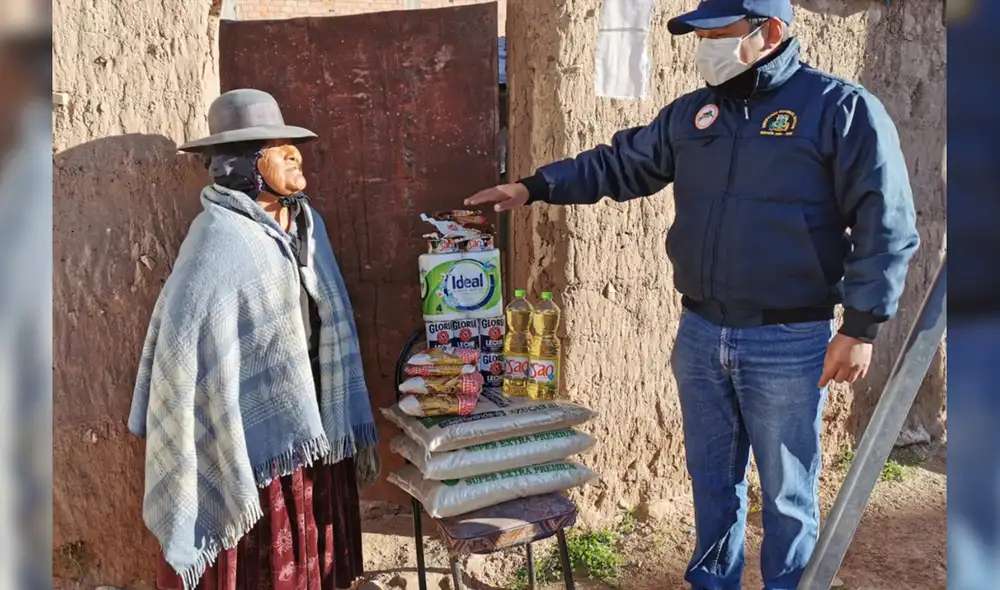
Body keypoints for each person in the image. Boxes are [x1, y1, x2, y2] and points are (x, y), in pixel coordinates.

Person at [465, 0, 919, 588]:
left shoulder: (840, 109)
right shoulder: (694, 114)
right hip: (701, 334)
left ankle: (790, 584)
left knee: (785, 491)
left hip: (787, 337)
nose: (706, 47)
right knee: (711, 479)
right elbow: (620, 165)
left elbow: (887, 223)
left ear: (771, 31)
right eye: (701, 35)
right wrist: (534, 186)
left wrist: (860, 328)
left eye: (720, 33)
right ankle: (713, 582)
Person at [128, 89, 380, 590]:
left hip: (314, 416)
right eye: (275, 146)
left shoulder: (309, 225)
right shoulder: (218, 238)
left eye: (292, 144)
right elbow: (187, 345)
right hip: (252, 431)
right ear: (241, 165)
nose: (295, 153)